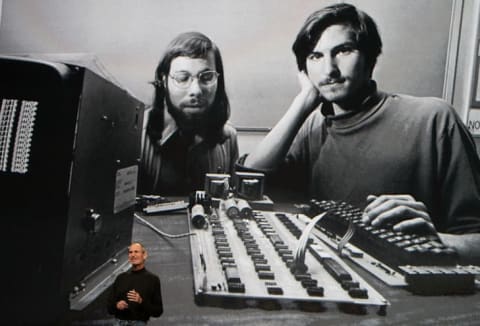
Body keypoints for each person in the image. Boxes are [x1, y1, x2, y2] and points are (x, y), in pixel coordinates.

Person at [241, 3, 480, 263]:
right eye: (315, 56)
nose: (329, 69)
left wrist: (434, 240)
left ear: (369, 57)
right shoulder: (313, 127)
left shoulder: (434, 119)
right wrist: (304, 101)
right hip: (335, 280)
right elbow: (249, 181)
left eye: (343, 51)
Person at [139, 31, 239, 195]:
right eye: (182, 78)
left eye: (206, 77)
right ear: (164, 82)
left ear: (218, 82)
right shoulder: (135, 136)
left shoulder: (229, 138)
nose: (196, 90)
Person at [108, 242, 163, 325]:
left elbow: (158, 311)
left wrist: (141, 301)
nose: (133, 255)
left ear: (144, 255)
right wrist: (117, 305)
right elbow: (109, 307)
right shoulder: (121, 278)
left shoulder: (152, 279)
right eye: (130, 252)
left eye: (136, 252)